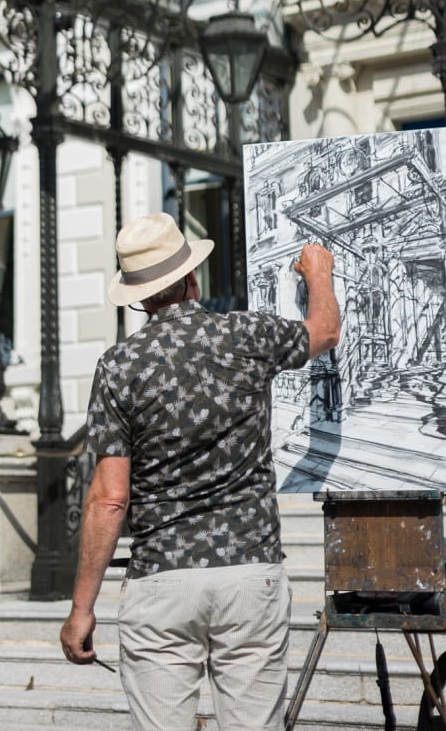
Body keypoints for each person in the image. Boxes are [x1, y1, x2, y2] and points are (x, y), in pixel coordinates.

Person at [60, 211, 340, 731]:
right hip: (248, 567)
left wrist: (82, 607)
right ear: (193, 278)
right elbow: (323, 331)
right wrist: (318, 274)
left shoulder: (120, 367)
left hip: (162, 578)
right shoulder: (245, 334)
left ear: (140, 297)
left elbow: (109, 499)